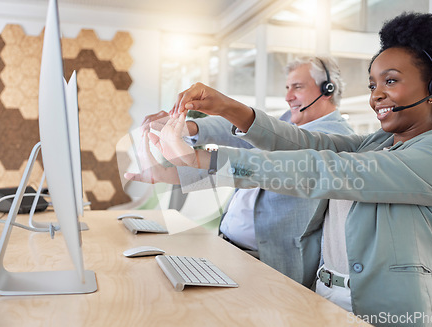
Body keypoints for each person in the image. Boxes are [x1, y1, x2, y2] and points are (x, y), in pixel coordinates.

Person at [126, 12, 432, 325]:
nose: (376, 94)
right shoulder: (375, 142)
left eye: (390, 81)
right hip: (323, 295)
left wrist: (203, 159)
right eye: (372, 84)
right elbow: (304, 143)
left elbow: (331, 170)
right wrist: (227, 107)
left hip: (381, 310)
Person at [140, 57, 354, 286]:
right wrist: (189, 128)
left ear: (327, 90)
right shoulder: (290, 120)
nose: (288, 96)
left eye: (298, 87)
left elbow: (264, 165)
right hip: (232, 249)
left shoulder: (337, 137)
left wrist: (187, 159)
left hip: (273, 263)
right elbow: (237, 130)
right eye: (287, 87)